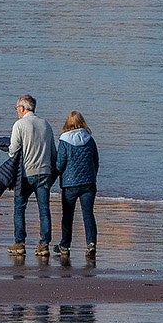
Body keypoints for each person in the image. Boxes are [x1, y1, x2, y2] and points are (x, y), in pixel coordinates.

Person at [1, 94, 58, 260]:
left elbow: (13, 150)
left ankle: (19, 243)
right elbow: (53, 152)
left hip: (26, 173)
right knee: (44, 210)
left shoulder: (19, 125)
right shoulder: (46, 124)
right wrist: (52, 171)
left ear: (23, 108)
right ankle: (44, 244)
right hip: (44, 172)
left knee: (19, 208)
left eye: (17, 108)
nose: (17, 111)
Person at [55, 112, 101, 261]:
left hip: (70, 183)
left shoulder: (64, 140)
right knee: (88, 214)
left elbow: (60, 164)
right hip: (89, 183)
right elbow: (96, 162)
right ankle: (91, 244)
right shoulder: (90, 139)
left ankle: (65, 245)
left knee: (68, 215)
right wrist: (92, 176)